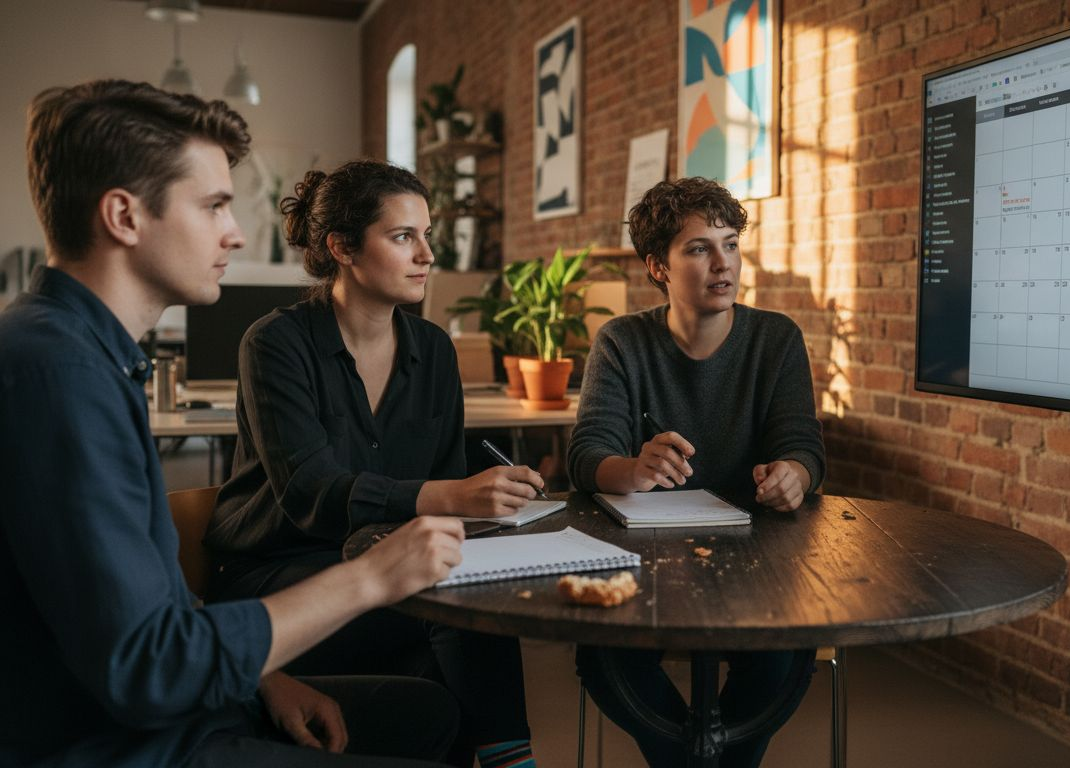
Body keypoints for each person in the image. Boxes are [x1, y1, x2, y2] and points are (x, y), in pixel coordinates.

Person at [0, 79, 467, 768]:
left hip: (184, 712)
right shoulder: (58, 377)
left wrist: (263, 677)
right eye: (214, 205)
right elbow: (146, 670)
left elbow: (144, 599)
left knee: (430, 716)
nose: (237, 232)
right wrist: (371, 578)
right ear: (124, 217)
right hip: (132, 747)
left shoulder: (82, 354)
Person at [204, 159, 544, 768]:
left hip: (386, 561)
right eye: (403, 236)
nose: (426, 255)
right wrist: (453, 496)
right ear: (342, 247)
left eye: (428, 235)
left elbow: (444, 485)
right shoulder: (276, 343)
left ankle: (498, 754)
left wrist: (479, 503)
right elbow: (311, 492)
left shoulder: (435, 351)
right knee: (453, 628)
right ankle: (509, 760)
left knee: (467, 602)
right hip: (276, 571)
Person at [566, 176, 827, 767]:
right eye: (698, 248)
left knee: (784, 654)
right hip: (647, 554)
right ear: (658, 266)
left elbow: (803, 446)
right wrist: (630, 469)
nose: (722, 263)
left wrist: (794, 474)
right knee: (605, 656)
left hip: (761, 554)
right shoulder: (622, 342)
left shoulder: (776, 338)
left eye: (731, 244)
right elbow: (588, 455)